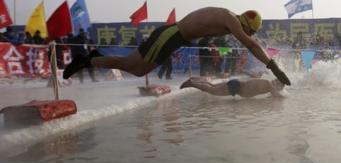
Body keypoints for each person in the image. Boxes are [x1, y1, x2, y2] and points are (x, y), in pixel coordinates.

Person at [63, 7, 291, 86]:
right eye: (250, 30)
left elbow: (250, 41)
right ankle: (89, 59)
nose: (248, 34)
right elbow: (250, 44)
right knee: (137, 69)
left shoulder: (230, 20)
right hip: (171, 35)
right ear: (247, 24)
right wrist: (273, 66)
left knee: (129, 65)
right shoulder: (231, 20)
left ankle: (89, 59)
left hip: (173, 37)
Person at [180, 76, 284, 98]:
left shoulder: (266, 83)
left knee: (212, 85)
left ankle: (195, 80)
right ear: (277, 84)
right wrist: (287, 96)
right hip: (236, 87)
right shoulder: (269, 85)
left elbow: (273, 95)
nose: (279, 89)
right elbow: (278, 96)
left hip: (236, 84)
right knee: (212, 90)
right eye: (280, 87)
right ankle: (192, 83)